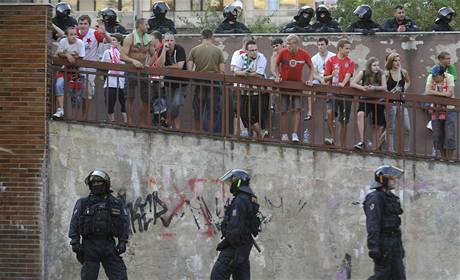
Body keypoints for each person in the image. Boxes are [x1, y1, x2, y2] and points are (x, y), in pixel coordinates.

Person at [69, 170, 129, 280]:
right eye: (94, 183)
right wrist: (75, 241)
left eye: (99, 182)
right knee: (89, 277)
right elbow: (74, 223)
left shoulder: (116, 203)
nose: (96, 185)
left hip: (109, 245)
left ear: (106, 184)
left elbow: (124, 223)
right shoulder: (83, 203)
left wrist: (123, 241)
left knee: (120, 276)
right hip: (89, 246)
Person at [210, 169, 261, 280]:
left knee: (217, 276)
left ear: (238, 182)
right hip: (244, 247)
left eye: (231, 182)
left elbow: (235, 229)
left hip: (234, 248)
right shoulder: (249, 198)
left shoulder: (240, 200)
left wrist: (226, 243)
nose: (230, 185)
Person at [363, 165, 406, 280]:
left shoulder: (391, 197)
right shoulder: (375, 198)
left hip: (394, 241)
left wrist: (399, 247)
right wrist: (374, 247)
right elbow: (373, 223)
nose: (394, 180)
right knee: (382, 275)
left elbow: (395, 223)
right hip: (384, 242)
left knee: (399, 275)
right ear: (382, 179)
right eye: (391, 178)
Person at [274, 34, 314, 143]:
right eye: (287, 43)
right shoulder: (283, 52)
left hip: (297, 85)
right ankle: (284, 134)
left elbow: (311, 67)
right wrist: (278, 76)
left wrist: (310, 79)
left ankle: (295, 134)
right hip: (284, 85)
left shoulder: (303, 53)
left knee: (297, 109)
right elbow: (276, 65)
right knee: (283, 110)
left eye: (290, 43)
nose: (287, 46)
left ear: (296, 44)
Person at [187, 29, 225, 133]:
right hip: (214, 82)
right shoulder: (218, 50)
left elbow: (189, 69)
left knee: (198, 108)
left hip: (200, 82)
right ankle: (211, 132)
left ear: (201, 37)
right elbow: (222, 70)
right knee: (213, 109)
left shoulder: (194, 50)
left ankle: (198, 131)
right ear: (212, 37)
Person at [76, 15, 111, 119]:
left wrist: (104, 32)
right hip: (75, 68)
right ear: (78, 24)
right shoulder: (74, 33)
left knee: (87, 93)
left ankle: (84, 117)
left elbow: (109, 41)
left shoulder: (94, 33)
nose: (83, 26)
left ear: (89, 25)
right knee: (75, 93)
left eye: (85, 24)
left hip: (89, 68)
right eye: (81, 24)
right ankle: (75, 117)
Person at [232, 40, 268, 139]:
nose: (254, 52)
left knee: (258, 114)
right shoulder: (241, 57)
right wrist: (244, 74)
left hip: (259, 91)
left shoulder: (261, 57)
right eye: (252, 50)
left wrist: (245, 74)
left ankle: (258, 136)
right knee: (243, 113)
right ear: (246, 51)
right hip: (244, 90)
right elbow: (235, 71)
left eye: (256, 50)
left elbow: (259, 74)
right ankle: (260, 133)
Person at [323, 39, 355, 148]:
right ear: (340, 48)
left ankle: (341, 145)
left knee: (344, 120)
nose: (348, 51)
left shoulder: (350, 62)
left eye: (349, 49)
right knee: (329, 112)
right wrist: (332, 75)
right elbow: (325, 79)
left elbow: (348, 75)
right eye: (346, 48)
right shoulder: (330, 60)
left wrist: (343, 83)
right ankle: (332, 138)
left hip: (345, 92)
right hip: (333, 91)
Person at [121, 18, 152, 126]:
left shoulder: (148, 39)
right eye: (146, 24)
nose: (148, 26)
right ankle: (130, 122)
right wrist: (133, 61)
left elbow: (153, 53)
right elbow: (122, 56)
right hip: (131, 69)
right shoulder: (129, 38)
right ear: (139, 25)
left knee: (147, 97)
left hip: (143, 69)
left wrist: (149, 63)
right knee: (130, 97)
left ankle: (143, 123)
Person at [351, 57, 387, 151]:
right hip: (365, 99)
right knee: (360, 114)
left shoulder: (381, 73)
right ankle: (362, 141)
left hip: (378, 100)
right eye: (374, 65)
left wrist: (374, 88)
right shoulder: (363, 73)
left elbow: (384, 87)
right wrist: (362, 88)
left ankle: (375, 147)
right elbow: (353, 84)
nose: (376, 67)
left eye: (378, 65)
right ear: (369, 66)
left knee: (378, 125)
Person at [52, 27, 85, 119]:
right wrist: (67, 55)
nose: (74, 36)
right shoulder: (63, 41)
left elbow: (81, 57)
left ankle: (76, 117)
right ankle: (60, 109)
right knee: (59, 85)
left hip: (75, 71)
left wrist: (72, 56)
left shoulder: (80, 43)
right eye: (71, 34)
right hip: (64, 69)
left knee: (76, 94)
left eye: (75, 34)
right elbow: (59, 53)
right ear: (67, 35)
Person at [425, 65, 456, 159]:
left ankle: (450, 159)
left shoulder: (449, 77)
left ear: (442, 75)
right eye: (433, 75)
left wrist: (435, 94)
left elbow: (450, 93)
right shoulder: (431, 76)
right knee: (437, 134)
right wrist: (443, 94)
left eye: (435, 76)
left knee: (450, 134)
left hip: (449, 109)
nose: (433, 77)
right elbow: (427, 91)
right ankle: (443, 158)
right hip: (435, 109)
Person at [385, 52, 411, 153]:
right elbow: (383, 86)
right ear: (391, 62)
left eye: (399, 60)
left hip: (401, 102)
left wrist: (404, 89)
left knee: (407, 127)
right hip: (390, 103)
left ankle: (406, 149)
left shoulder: (403, 72)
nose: (397, 62)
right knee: (391, 127)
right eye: (395, 60)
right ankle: (391, 150)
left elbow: (408, 81)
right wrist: (389, 93)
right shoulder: (387, 73)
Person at [163, 33, 188, 129]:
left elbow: (180, 66)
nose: (169, 42)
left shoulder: (179, 49)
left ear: (174, 41)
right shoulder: (163, 50)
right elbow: (160, 65)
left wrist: (166, 68)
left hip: (181, 83)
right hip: (168, 82)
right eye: (167, 40)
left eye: (171, 40)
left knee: (176, 104)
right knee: (170, 106)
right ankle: (175, 128)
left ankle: (167, 121)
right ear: (164, 41)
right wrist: (163, 52)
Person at [101, 33, 127, 123]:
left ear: (119, 42)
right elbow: (103, 65)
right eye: (111, 40)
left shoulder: (124, 53)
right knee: (109, 102)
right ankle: (112, 121)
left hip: (121, 82)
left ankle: (126, 121)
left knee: (124, 103)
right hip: (110, 82)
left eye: (114, 40)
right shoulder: (107, 52)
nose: (112, 42)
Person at [146, 31, 168, 127]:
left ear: (156, 39)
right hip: (154, 77)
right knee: (155, 100)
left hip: (159, 78)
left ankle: (160, 120)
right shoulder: (153, 49)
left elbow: (162, 64)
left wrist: (162, 78)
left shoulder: (162, 48)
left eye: (151, 38)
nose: (149, 40)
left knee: (160, 99)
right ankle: (158, 120)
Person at [310, 37, 335, 120]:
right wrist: (321, 80)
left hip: (330, 79)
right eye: (319, 45)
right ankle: (309, 112)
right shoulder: (314, 58)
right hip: (319, 79)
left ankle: (329, 113)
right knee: (311, 87)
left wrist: (328, 80)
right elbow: (314, 73)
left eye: (322, 44)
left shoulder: (333, 56)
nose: (320, 46)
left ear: (327, 45)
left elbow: (335, 71)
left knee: (331, 89)